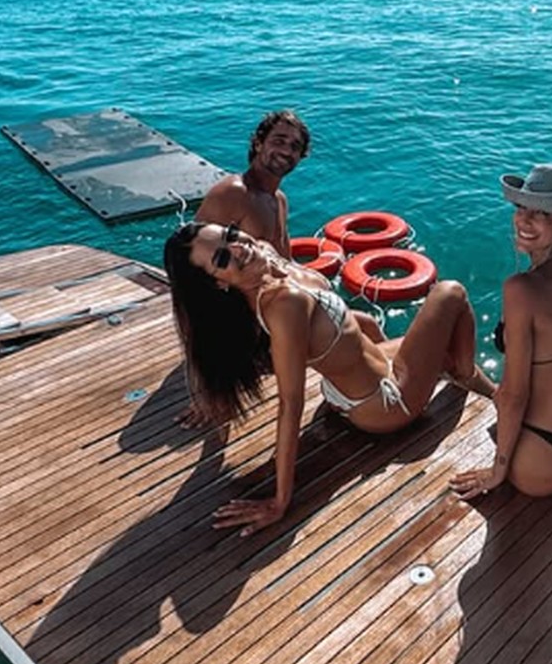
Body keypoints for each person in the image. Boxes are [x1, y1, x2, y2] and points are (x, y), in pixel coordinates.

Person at [164, 222, 495, 535]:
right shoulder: (282, 304)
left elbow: (345, 318)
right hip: (382, 405)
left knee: (441, 353)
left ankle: (463, 373)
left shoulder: (266, 256)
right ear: (219, 283)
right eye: (223, 258)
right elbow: (290, 404)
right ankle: (470, 377)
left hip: (350, 385)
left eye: (231, 234)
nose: (239, 248)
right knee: (450, 292)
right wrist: (280, 502)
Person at [451, 164, 552, 501]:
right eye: (520, 208)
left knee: (495, 398)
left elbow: (515, 395)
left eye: (541, 213)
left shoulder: (521, 289)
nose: (524, 220)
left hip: (544, 459)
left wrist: (498, 470)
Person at [195, 109, 310, 260]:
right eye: (278, 141)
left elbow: (285, 262)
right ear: (258, 144)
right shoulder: (235, 193)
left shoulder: (280, 200)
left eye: (295, 147)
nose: (286, 151)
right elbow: (193, 252)